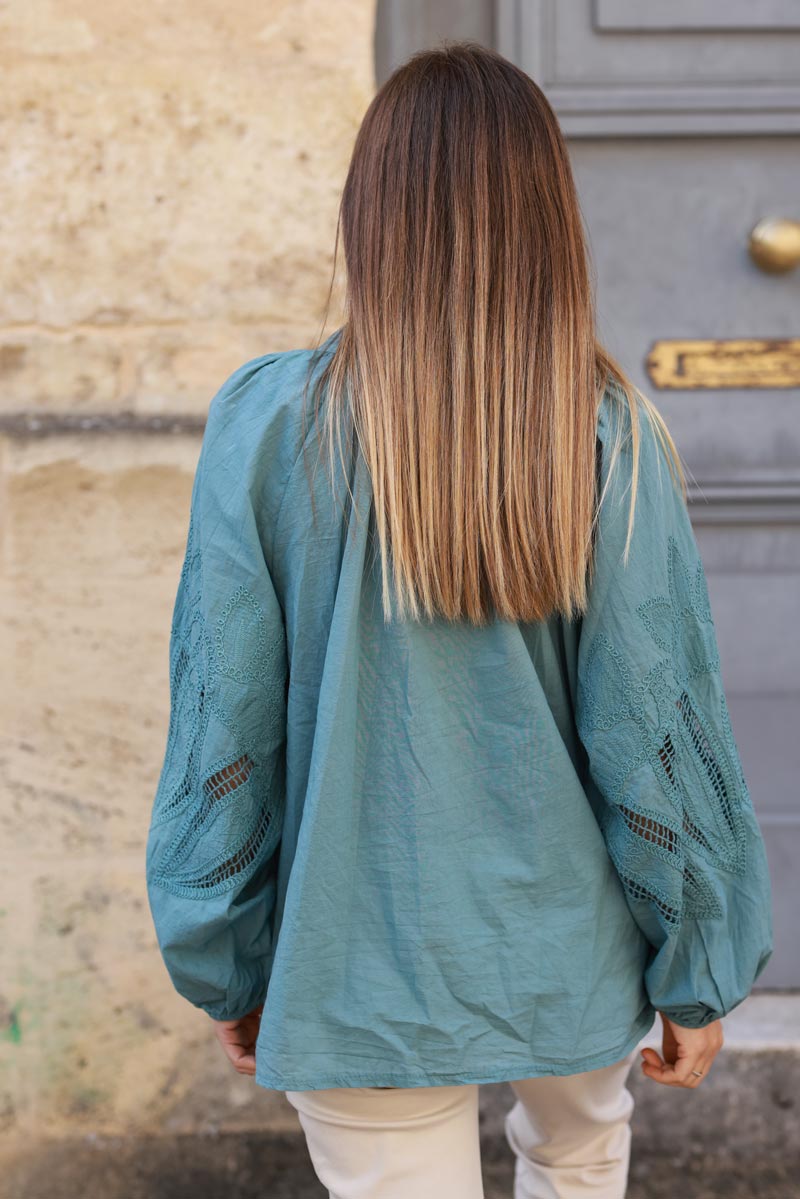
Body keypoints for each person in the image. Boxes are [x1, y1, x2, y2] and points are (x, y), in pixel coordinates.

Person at [144, 41, 774, 1199]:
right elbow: (655, 726)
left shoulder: (266, 426)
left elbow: (218, 723)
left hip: (351, 955)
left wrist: (225, 955)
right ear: (547, 218)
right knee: (578, 1160)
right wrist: (698, 965)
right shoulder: (607, 437)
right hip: (568, 952)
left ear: (366, 214)